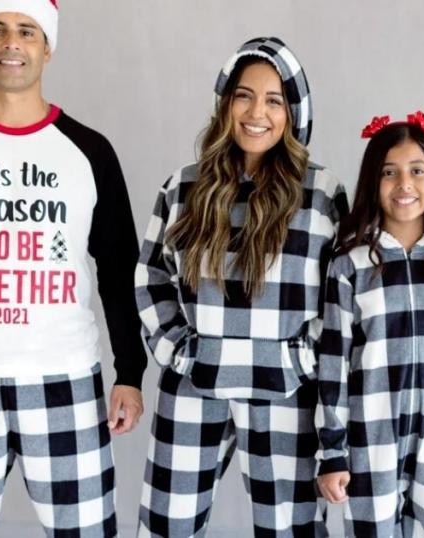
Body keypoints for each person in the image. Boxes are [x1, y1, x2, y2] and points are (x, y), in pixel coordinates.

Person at [0, 1, 146, 535]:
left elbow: (117, 267)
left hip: (65, 379)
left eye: (26, 30)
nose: (11, 42)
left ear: (47, 46)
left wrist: (130, 372)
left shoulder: (89, 152)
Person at [135, 37, 347, 537]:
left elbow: (341, 299)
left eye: (274, 100)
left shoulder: (322, 194)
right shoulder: (182, 186)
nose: (257, 112)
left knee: (290, 528)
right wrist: (183, 353)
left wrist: (299, 359)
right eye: (244, 96)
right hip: (193, 383)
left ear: (293, 112)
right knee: (168, 525)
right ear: (226, 103)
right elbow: (151, 277)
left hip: (285, 390)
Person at [314, 112, 424, 537]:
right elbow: (333, 365)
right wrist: (333, 453)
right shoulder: (351, 265)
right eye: (389, 173)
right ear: (373, 182)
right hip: (370, 439)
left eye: (417, 171)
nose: (404, 185)